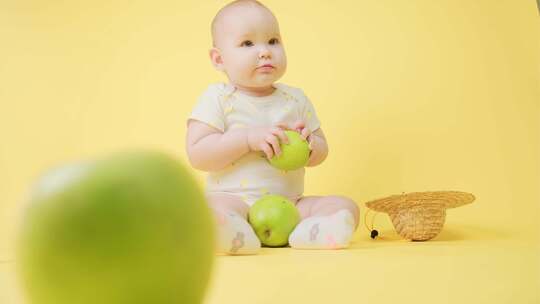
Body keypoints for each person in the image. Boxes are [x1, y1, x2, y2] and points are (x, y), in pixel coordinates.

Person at [186, 0, 359, 255]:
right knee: (207, 209)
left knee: (346, 206)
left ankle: (310, 233)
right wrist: (246, 139)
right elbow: (198, 154)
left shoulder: (295, 99)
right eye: (247, 43)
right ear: (219, 59)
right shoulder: (218, 99)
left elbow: (322, 151)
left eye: (273, 41)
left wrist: (310, 143)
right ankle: (233, 232)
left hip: (289, 206)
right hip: (235, 202)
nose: (265, 52)